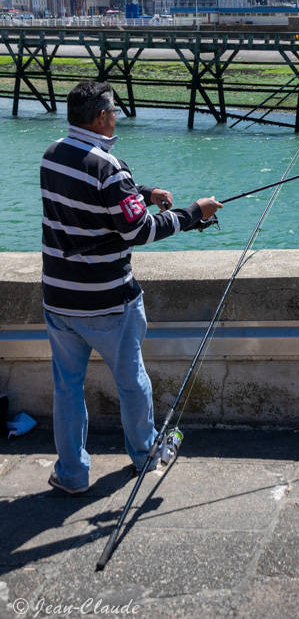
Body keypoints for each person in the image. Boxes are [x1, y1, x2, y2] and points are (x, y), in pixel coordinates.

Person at [40, 80, 222, 494]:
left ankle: (71, 474)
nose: (117, 116)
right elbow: (138, 230)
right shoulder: (110, 169)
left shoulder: (51, 156)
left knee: (66, 388)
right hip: (108, 303)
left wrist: (143, 191)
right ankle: (144, 454)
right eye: (114, 111)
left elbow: (91, 194)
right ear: (102, 117)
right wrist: (194, 212)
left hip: (58, 298)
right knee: (131, 381)